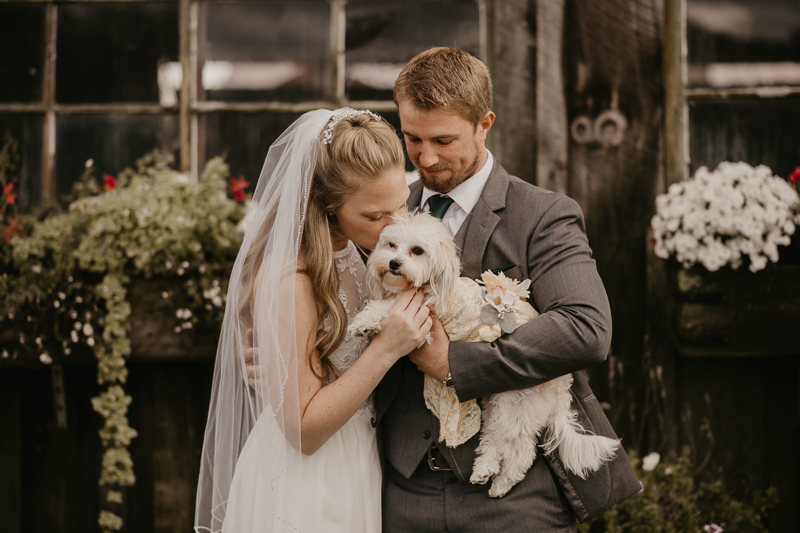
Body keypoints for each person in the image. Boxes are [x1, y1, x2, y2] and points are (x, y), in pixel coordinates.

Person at [376, 47, 641, 532]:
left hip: (515, 499)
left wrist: (453, 364)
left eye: (443, 139)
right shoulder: (387, 211)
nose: (426, 158)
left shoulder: (542, 214)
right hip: (399, 490)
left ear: (484, 124)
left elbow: (586, 329)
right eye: (411, 138)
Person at [194, 108, 433, 533]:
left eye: (401, 205)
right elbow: (302, 432)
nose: (393, 226)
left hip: (358, 459)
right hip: (309, 483)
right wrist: (385, 349)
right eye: (375, 217)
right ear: (326, 205)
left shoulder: (357, 249)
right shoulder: (294, 279)